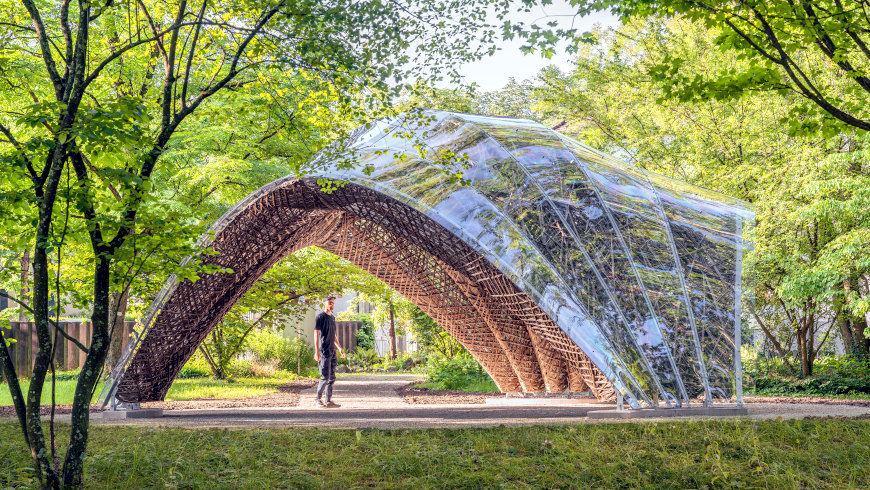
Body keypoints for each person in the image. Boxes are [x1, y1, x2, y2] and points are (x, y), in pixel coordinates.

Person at [314, 295, 346, 408]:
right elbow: (316, 334)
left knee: (332, 377)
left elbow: (334, 335)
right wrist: (316, 351)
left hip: (332, 351)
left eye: (332, 302)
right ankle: (317, 399)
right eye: (329, 302)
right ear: (324, 303)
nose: (331, 304)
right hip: (324, 350)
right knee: (325, 377)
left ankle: (328, 401)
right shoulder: (320, 317)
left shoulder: (332, 317)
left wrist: (340, 348)